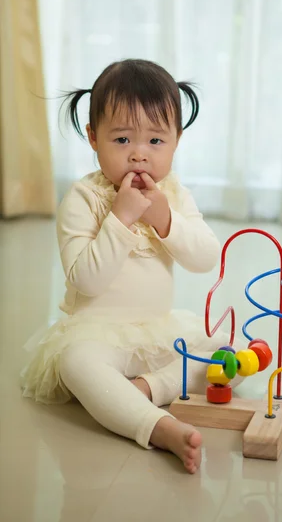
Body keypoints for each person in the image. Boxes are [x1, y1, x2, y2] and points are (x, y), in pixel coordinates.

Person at [21, 59, 243, 474]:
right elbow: (86, 280)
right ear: (92, 138)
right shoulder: (84, 199)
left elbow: (206, 257)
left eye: (156, 141)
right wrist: (119, 220)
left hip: (158, 334)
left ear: (177, 140)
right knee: (76, 364)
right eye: (122, 139)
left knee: (231, 351)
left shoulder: (173, 195)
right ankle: (157, 426)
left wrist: (164, 220)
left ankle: (146, 389)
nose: (139, 154)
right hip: (97, 336)